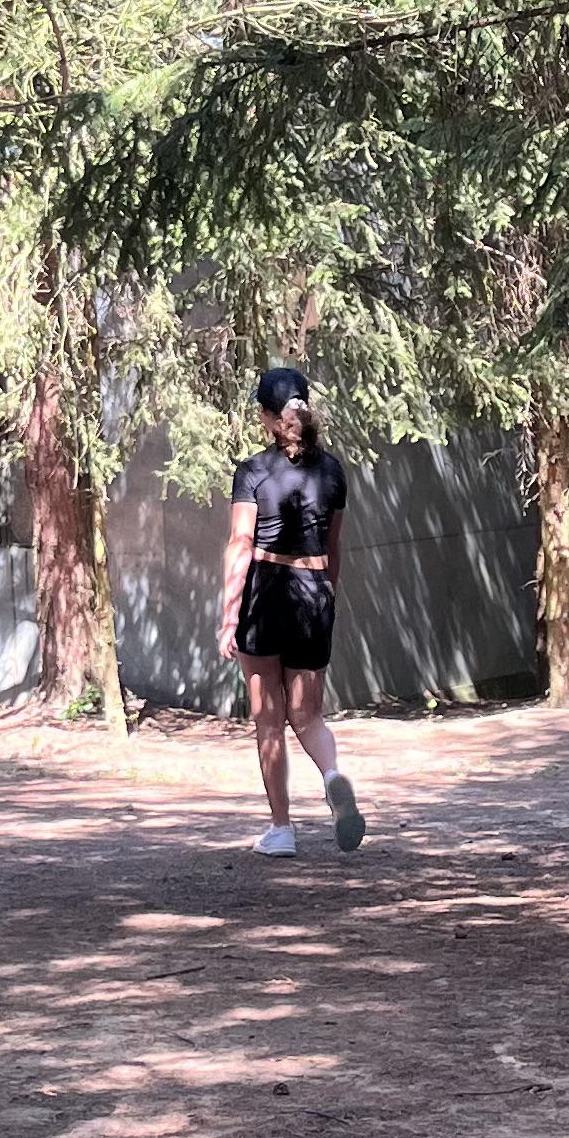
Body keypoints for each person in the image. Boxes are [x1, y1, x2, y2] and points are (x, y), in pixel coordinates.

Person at [216, 367, 365, 858]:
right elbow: (333, 547)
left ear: (266, 416)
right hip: (314, 592)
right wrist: (325, 597)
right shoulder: (333, 471)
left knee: (269, 720)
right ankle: (333, 774)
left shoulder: (253, 471)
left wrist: (229, 616)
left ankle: (281, 829)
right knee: (308, 716)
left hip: (266, 591)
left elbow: (240, 545)